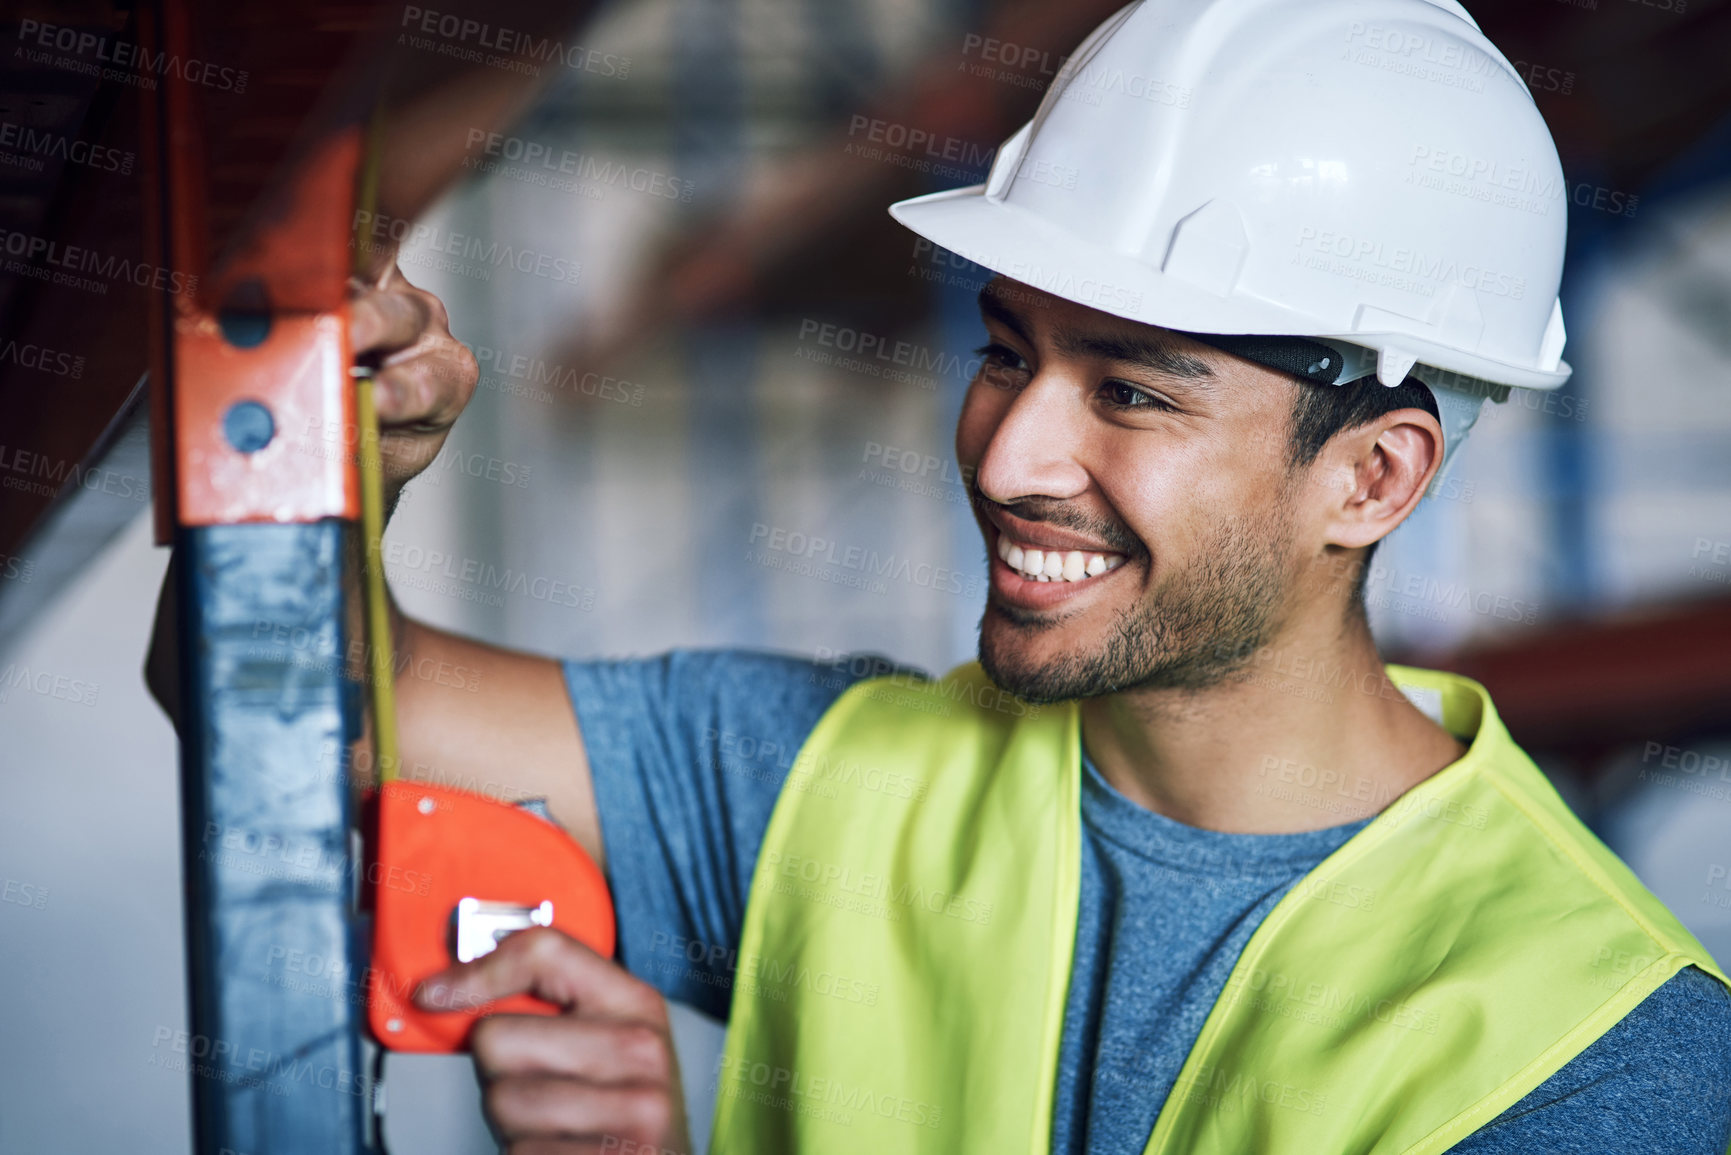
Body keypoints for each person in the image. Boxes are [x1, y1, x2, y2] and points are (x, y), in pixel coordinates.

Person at [152, 1, 1731, 1152]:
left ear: (1372, 476)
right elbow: (300, 721)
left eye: (1132, 389)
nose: (1004, 453)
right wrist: (346, 465)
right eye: (1006, 350)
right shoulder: (827, 786)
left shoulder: (1594, 1061)